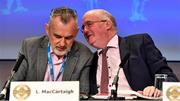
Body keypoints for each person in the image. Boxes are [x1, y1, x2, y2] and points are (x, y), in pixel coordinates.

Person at [81, 9, 179, 98]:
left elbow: (169, 78)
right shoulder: (91, 59)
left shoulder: (139, 43)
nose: (85, 30)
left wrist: (157, 89)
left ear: (107, 24)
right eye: (83, 27)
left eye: (89, 24)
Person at [5, 7, 93, 99]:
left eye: (68, 38)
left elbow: (83, 95)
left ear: (76, 32)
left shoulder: (85, 55)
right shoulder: (30, 47)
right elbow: (12, 87)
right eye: (57, 36)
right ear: (47, 29)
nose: (62, 44)